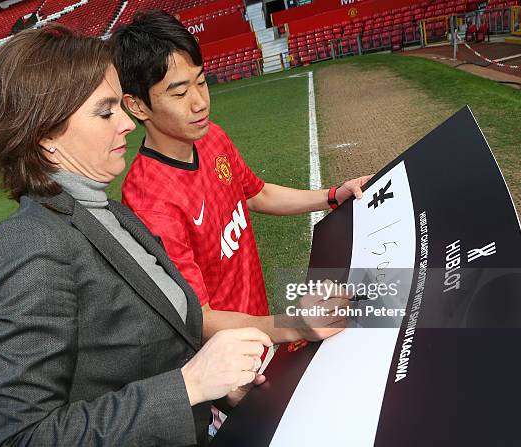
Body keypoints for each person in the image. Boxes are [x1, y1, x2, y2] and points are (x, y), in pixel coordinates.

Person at [0, 24, 272, 446]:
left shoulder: (111, 213)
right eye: (105, 111)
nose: (128, 124)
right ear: (46, 137)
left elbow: (156, 346)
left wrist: (215, 391)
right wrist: (189, 385)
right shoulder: (27, 246)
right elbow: (24, 436)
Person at [110, 10, 369, 344]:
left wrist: (332, 195)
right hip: (231, 365)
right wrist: (292, 326)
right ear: (138, 106)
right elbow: (199, 317)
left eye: (201, 82)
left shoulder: (210, 136)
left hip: (259, 327)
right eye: (179, 93)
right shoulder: (150, 201)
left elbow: (256, 194)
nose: (200, 102)